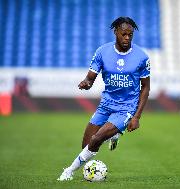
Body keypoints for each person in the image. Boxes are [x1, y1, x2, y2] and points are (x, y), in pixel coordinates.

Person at [57, 17, 151, 181]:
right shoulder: (102, 52)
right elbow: (90, 78)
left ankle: (69, 171)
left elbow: (146, 87)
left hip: (126, 108)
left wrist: (136, 117)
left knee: (97, 138)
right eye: (124, 34)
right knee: (86, 145)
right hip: (106, 105)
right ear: (116, 32)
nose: (127, 38)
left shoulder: (141, 57)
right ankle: (112, 136)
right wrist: (86, 83)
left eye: (130, 35)